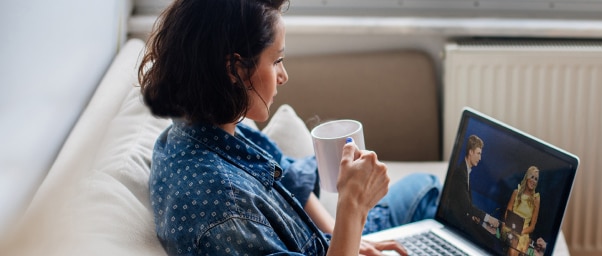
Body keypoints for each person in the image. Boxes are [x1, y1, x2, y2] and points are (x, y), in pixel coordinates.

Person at [138, 0, 441, 255]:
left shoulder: (202, 131)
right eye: (277, 60)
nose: (283, 76)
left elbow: (289, 179)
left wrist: (346, 238)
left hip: (330, 245)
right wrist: (353, 206)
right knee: (431, 195)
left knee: (423, 187)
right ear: (235, 69)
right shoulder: (223, 212)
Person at [442, 135, 485, 226]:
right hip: (452, 223)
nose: (480, 158)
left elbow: (463, 203)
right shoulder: (460, 173)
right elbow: (466, 207)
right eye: (478, 153)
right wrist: (488, 218)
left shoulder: (465, 172)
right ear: (470, 152)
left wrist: (472, 215)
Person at [504, 166, 541, 256]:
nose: (533, 181)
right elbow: (507, 214)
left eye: (536, 179)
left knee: (517, 243)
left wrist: (520, 231)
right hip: (510, 227)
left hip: (523, 232)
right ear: (527, 177)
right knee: (513, 240)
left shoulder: (536, 199)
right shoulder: (516, 192)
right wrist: (512, 228)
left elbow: (532, 227)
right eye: (532, 177)